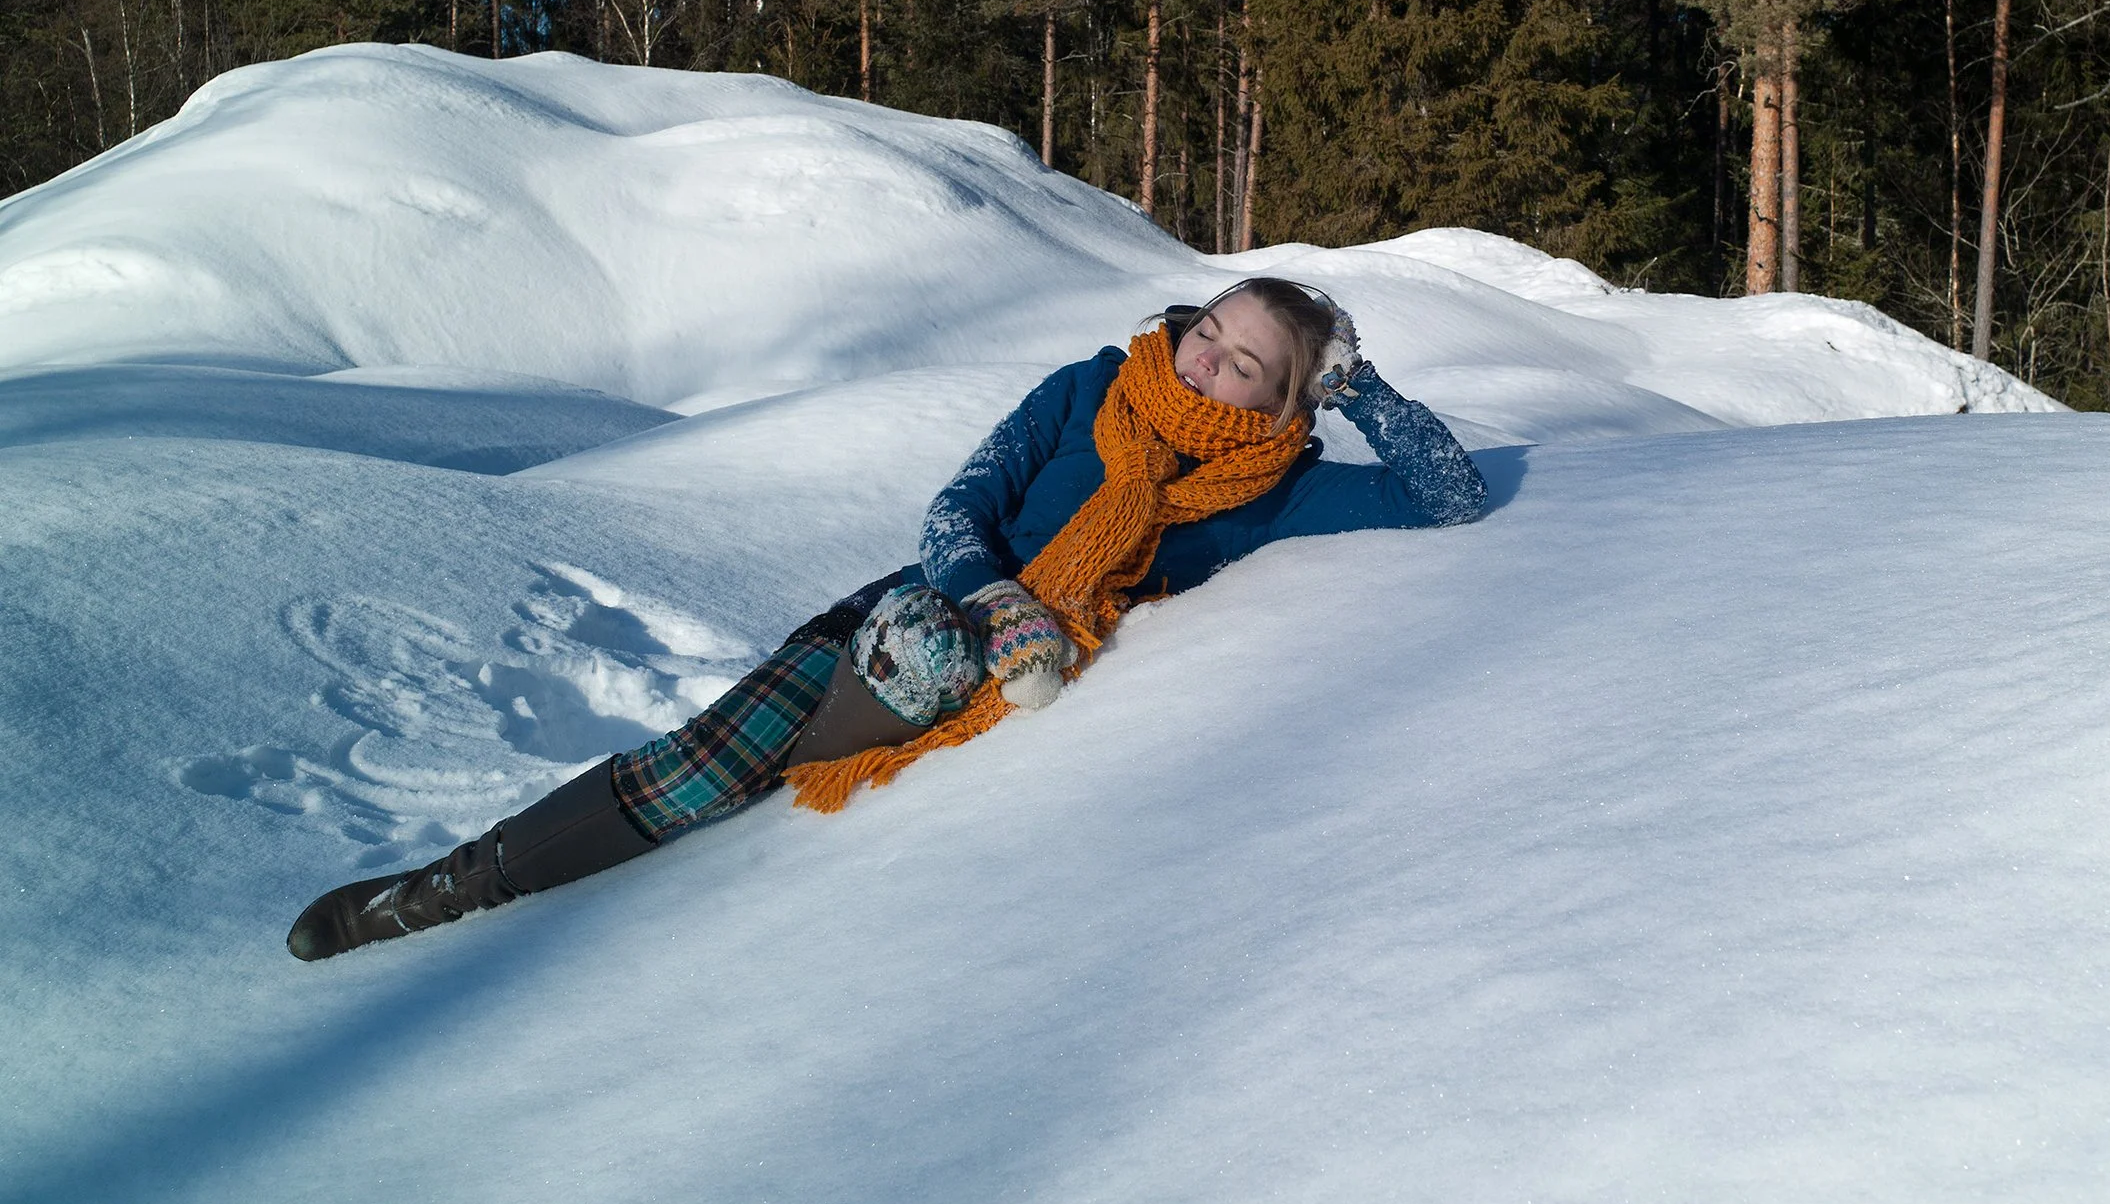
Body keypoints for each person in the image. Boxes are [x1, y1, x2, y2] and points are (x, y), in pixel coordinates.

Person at [287, 279, 1487, 961]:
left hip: (993, 705)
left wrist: (1362, 386)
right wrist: (996, 597)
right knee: (702, 769)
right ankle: (440, 891)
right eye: (1206, 330)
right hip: (902, 623)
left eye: (1243, 365)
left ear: (1285, 402)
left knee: (774, 782)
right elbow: (961, 504)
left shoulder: (1271, 490)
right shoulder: (1091, 388)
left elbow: (1448, 495)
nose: (1202, 361)